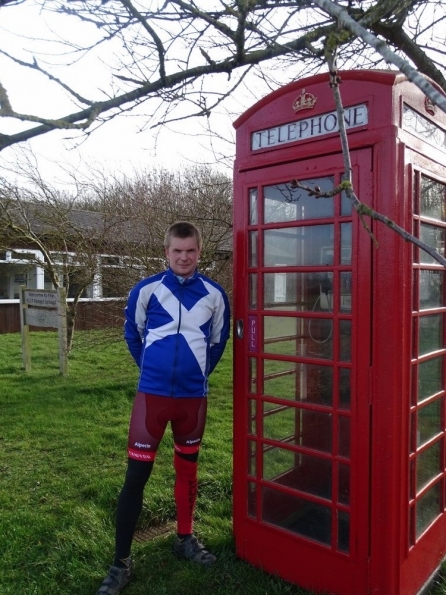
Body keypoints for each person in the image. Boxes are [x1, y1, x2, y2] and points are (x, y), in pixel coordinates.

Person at [96, 221, 231, 595]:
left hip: (193, 401)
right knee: (135, 478)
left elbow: (218, 343)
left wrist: (195, 376)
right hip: (151, 399)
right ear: (167, 253)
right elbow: (132, 334)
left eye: (190, 251)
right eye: (177, 251)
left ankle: (184, 538)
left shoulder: (215, 295)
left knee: (187, 473)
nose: (184, 257)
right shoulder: (147, 290)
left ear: (199, 252)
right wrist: (153, 374)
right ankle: (121, 561)